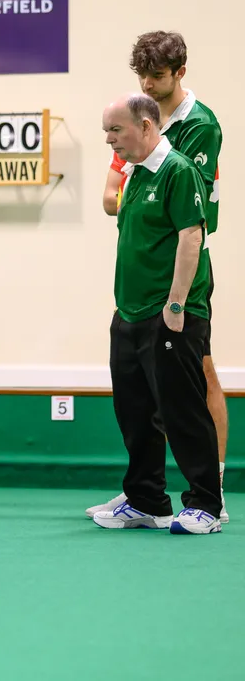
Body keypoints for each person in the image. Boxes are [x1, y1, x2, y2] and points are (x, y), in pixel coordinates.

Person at [89, 31, 228, 522]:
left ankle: (208, 501)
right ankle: (146, 499)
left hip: (176, 302)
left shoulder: (189, 146)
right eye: (142, 75)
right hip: (133, 302)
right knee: (135, 407)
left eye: (115, 132)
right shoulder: (139, 166)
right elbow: (113, 202)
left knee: (184, 401)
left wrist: (175, 302)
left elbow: (192, 230)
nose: (110, 141)